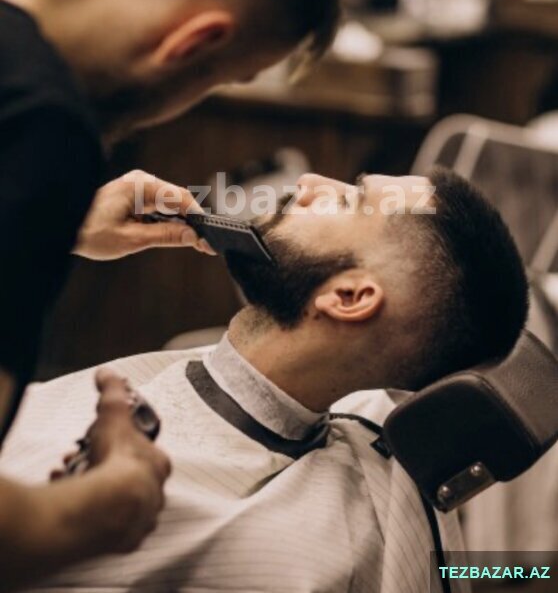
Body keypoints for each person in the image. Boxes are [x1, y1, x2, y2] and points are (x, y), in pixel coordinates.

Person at [0, 0, 340, 589]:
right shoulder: (41, 130)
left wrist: (51, 224)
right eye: (219, 79)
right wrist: (109, 504)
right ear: (193, 43)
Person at [0, 168, 529, 593]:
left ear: (348, 297)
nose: (308, 182)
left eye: (349, 200)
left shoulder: (264, 550)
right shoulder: (369, 416)